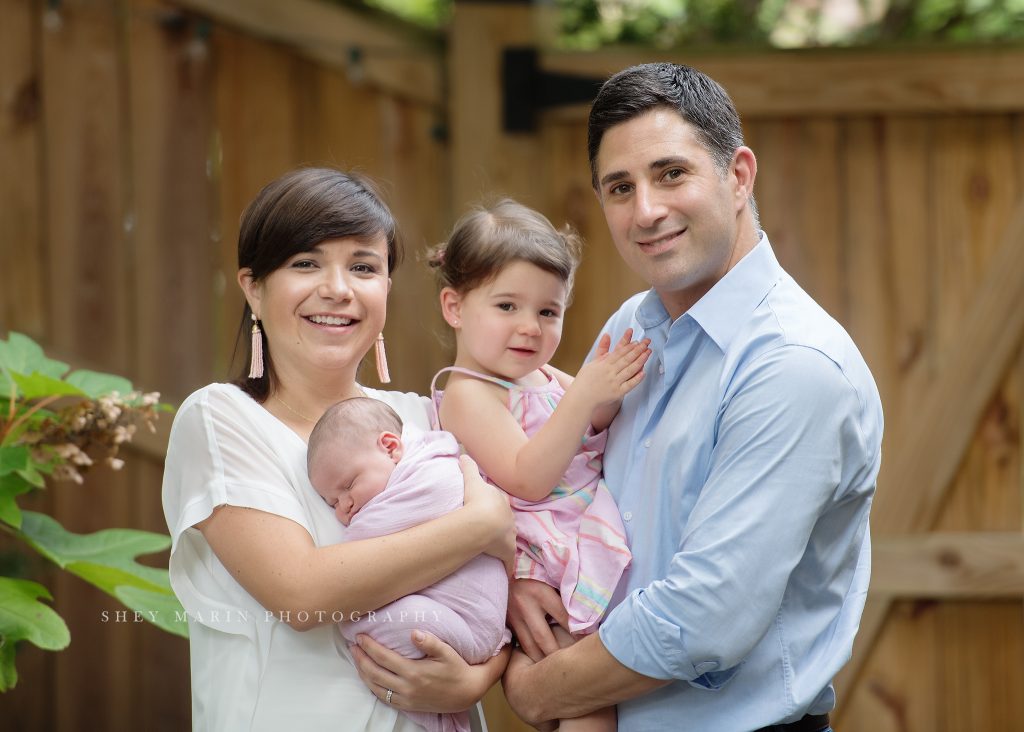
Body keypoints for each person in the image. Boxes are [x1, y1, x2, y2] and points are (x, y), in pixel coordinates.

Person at [501, 63, 883, 732]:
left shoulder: (791, 364)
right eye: (621, 188)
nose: (646, 210)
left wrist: (532, 689)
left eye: (671, 173)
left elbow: (703, 617)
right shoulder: (628, 329)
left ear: (738, 176)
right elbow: (568, 495)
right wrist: (524, 585)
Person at [161, 167, 515, 732]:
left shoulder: (425, 416)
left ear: (386, 290)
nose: (339, 289)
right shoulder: (221, 419)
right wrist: (485, 521)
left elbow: (512, 586)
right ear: (253, 287)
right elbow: (302, 595)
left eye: (364, 267)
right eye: (306, 264)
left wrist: (479, 676)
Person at [427, 199, 651, 731]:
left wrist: (608, 390)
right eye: (507, 306)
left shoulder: (544, 378)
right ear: (455, 307)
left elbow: (596, 421)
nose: (530, 327)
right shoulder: (469, 393)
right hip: (540, 560)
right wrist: (584, 397)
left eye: (548, 312)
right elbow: (527, 475)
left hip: (576, 541)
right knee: (585, 702)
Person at [306, 396, 511, 732]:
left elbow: (363, 548)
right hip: (464, 629)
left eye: (348, 486)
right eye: (332, 502)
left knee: (354, 623)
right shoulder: (392, 468)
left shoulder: (430, 474)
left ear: (390, 447)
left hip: (470, 626)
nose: (344, 507)